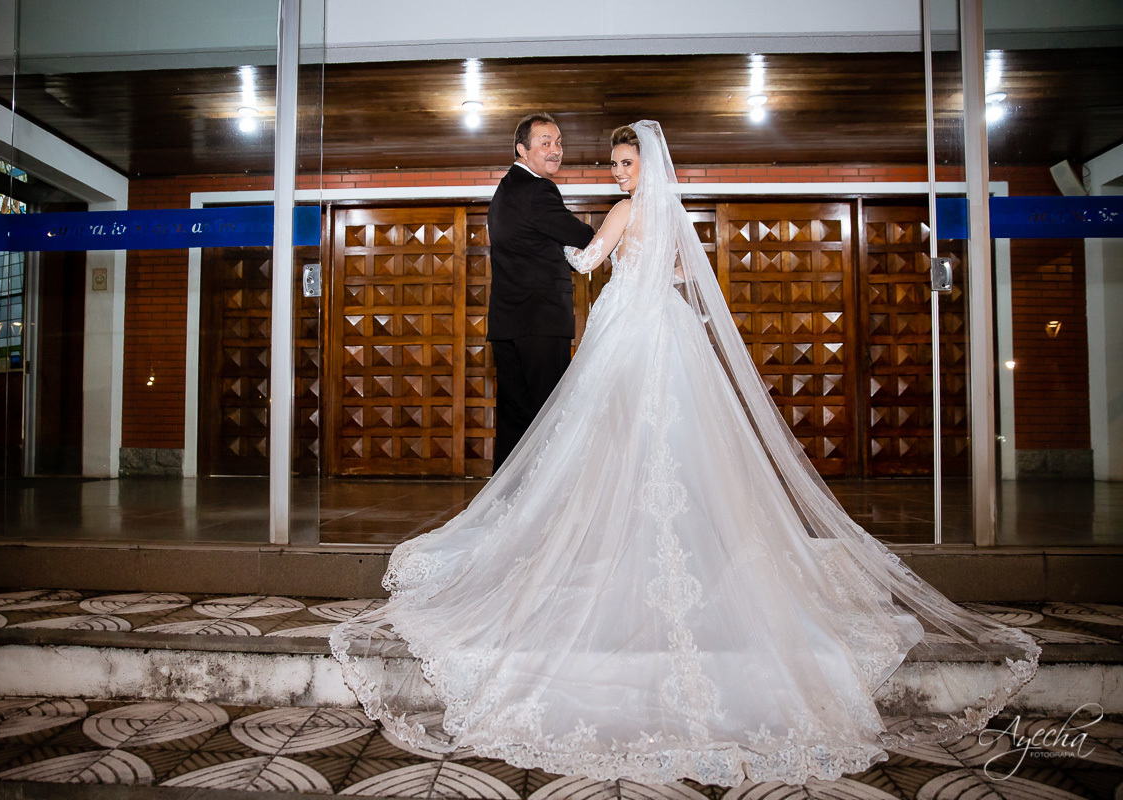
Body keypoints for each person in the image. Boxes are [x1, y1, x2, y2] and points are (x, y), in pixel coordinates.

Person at [331, 121, 1039, 787]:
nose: (616, 172)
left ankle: (611, 551)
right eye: (613, 165)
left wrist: (566, 256)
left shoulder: (622, 212)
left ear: (645, 166)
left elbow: (584, 259)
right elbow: (673, 278)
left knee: (607, 443)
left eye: (624, 163)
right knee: (676, 445)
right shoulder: (671, 219)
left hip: (625, 341)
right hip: (671, 335)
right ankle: (690, 555)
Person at [486, 112, 595, 472]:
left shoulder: (504, 191)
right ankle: (545, 509)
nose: (555, 150)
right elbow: (581, 237)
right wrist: (624, 229)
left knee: (515, 421)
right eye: (545, 142)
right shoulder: (538, 190)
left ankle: (504, 507)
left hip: (508, 325)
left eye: (559, 142)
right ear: (522, 149)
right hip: (541, 323)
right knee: (550, 417)